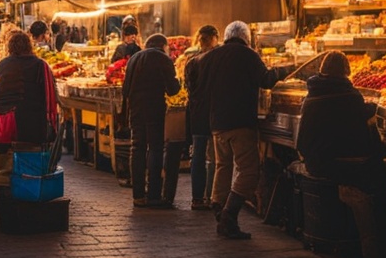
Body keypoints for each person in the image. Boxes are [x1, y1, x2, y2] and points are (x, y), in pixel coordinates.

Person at [193, 20, 293, 239]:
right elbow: (266, 81)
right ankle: (229, 214)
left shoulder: (212, 56)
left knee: (223, 166)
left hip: (217, 123)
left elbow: (199, 84)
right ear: (246, 37)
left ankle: (218, 207)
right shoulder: (248, 55)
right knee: (249, 170)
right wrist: (283, 71)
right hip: (240, 122)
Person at [295, 50, 386, 258]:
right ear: (346, 71)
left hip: (317, 162)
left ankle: (346, 246)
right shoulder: (350, 95)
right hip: (346, 164)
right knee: (377, 185)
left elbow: (304, 139)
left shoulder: (311, 96)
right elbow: (358, 119)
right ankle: (372, 256)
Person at [0, 30, 59, 193]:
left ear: (10, 47)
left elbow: (0, 93)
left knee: (3, 168)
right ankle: (26, 197)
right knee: (28, 165)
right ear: (29, 45)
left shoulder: (3, 64)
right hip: (31, 125)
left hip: (4, 123)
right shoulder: (40, 64)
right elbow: (50, 95)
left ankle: (2, 205)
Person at [121, 33, 181, 208]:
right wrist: (178, 81)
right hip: (155, 108)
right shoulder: (163, 59)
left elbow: (125, 90)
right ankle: (154, 194)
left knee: (137, 147)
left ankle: (138, 195)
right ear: (163, 45)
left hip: (135, 109)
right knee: (155, 147)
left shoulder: (134, 58)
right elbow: (172, 90)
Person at [184, 25, 220, 210]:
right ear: (214, 38)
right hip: (214, 113)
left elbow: (188, 88)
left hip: (196, 113)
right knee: (215, 157)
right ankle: (212, 196)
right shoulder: (217, 60)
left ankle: (197, 198)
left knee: (198, 155)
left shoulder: (191, 61)